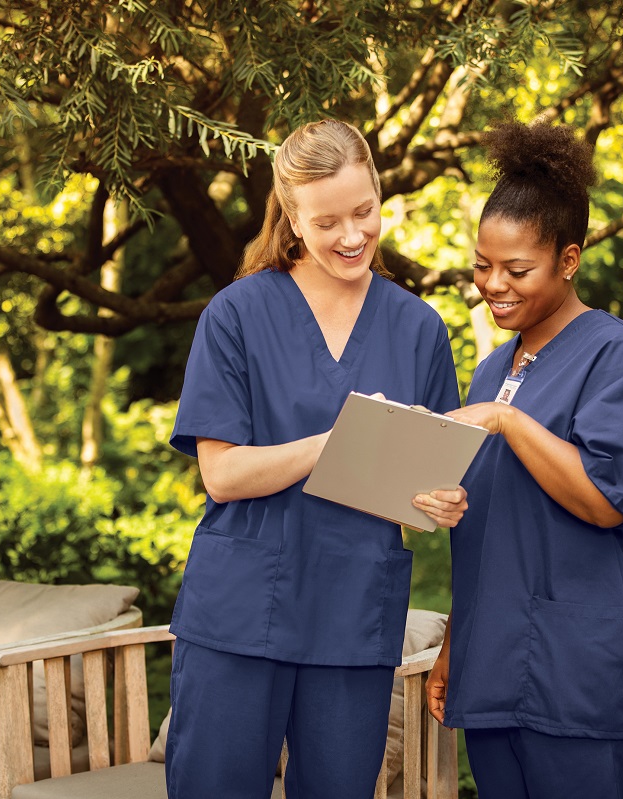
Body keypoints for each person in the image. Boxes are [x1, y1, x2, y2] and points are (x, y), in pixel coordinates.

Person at [165, 119, 468, 799]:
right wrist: (331, 444)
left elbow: (427, 488)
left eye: (365, 211)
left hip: (352, 615)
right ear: (292, 218)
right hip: (240, 614)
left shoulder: (419, 328)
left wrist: (439, 503)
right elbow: (222, 474)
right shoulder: (236, 314)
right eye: (328, 221)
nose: (353, 235)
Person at [414, 120, 623, 799]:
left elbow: (603, 498)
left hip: (582, 677)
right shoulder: (490, 371)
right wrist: (454, 645)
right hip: (496, 666)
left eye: (517, 269)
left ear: (568, 259)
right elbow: (486, 533)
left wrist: (507, 420)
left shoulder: (615, 356)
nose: (492, 284)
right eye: (481, 264)